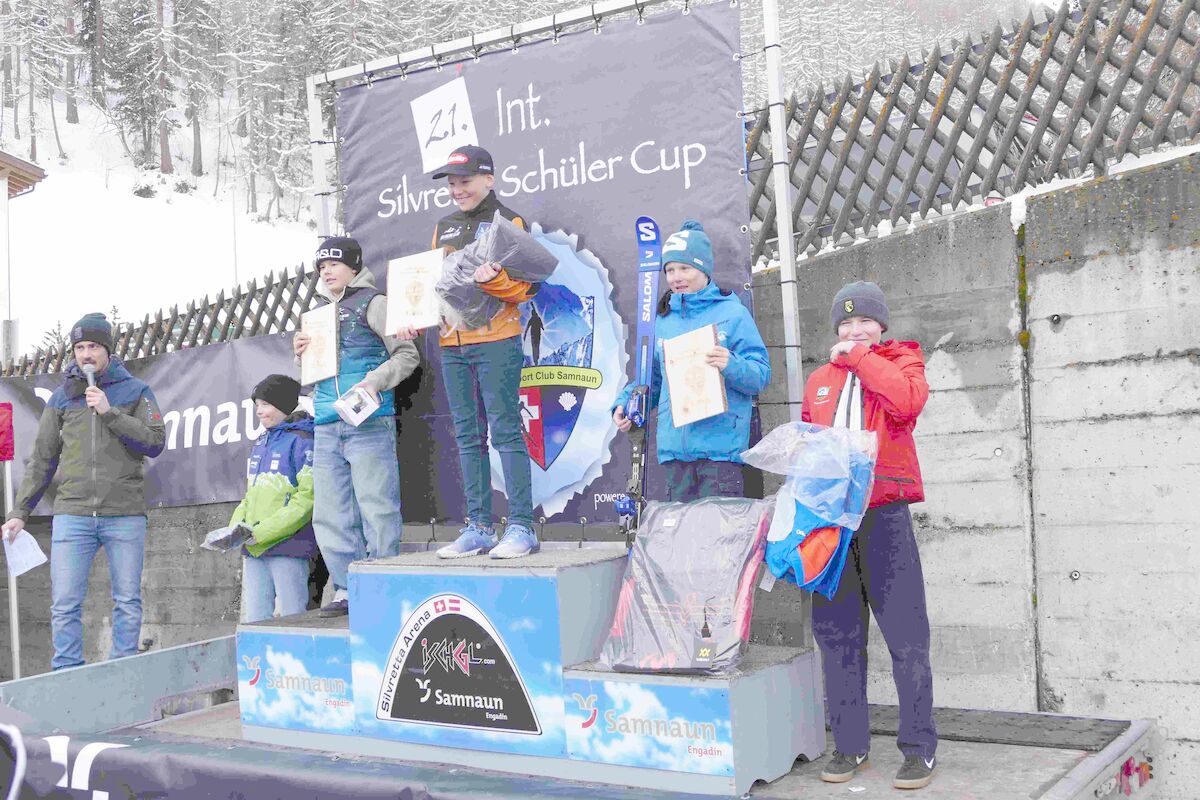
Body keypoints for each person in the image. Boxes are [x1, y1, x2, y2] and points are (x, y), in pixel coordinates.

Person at [801, 281, 937, 790]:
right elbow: (810, 441)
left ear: (882, 326)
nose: (854, 330)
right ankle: (849, 745)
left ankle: (919, 748)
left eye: (864, 322)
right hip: (832, 524)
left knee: (906, 638)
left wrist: (860, 358)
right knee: (837, 638)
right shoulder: (819, 379)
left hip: (884, 515)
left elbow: (907, 403)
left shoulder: (903, 363)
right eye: (845, 323)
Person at [1, 313, 165, 670]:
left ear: (108, 349)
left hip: (124, 513)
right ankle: (67, 674)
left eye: (93, 346)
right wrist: (20, 512)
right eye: (79, 348)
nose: (86, 354)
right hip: (72, 514)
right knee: (64, 604)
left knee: (127, 602)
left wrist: (109, 412)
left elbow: (155, 442)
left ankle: (122, 671)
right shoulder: (62, 397)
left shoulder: (136, 391)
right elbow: (42, 459)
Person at [400, 144, 540, 559]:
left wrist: (492, 279)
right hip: (452, 344)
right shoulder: (442, 227)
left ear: (488, 179)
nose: (457, 190)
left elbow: (528, 288)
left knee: (506, 431)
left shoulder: (509, 221)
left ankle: (521, 527)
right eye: (452, 184)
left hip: (497, 341)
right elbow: (434, 286)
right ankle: (478, 527)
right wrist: (413, 316)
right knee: (467, 436)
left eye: (465, 181)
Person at [292, 237, 420, 616]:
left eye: (333, 264)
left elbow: (407, 354)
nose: (326, 271)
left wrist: (374, 382)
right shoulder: (315, 313)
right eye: (321, 267)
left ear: (354, 266)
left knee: (376, 506)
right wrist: (300, 355)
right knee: (330, 513)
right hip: (326, 422)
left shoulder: (374, 303)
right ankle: (347, 587)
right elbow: (313, 373)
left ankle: (381, 583)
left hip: (369, 421)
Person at [612, 220, 770, 502]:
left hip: (720, 454)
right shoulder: (663, 320)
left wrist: (731, 364)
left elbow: (760, 375)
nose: (676, 277)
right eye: (670, 270)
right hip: (676, 454)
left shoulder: (732, 313)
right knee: (681, 529)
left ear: (704, 269)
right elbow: (653, 379)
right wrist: (626, 403)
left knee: (716, 529)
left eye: (685, 268)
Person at [228, 375, 318, 623]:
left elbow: (307, 500)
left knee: (293, 618)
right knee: (255, 620)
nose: (259, 411)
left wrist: (263, 532)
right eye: (257, 405)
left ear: (284, 405)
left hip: (289, 548)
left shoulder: (304, 440)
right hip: (254, 549)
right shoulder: (261, 442)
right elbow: (250, 495)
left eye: (265, 404)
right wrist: (235, 528)